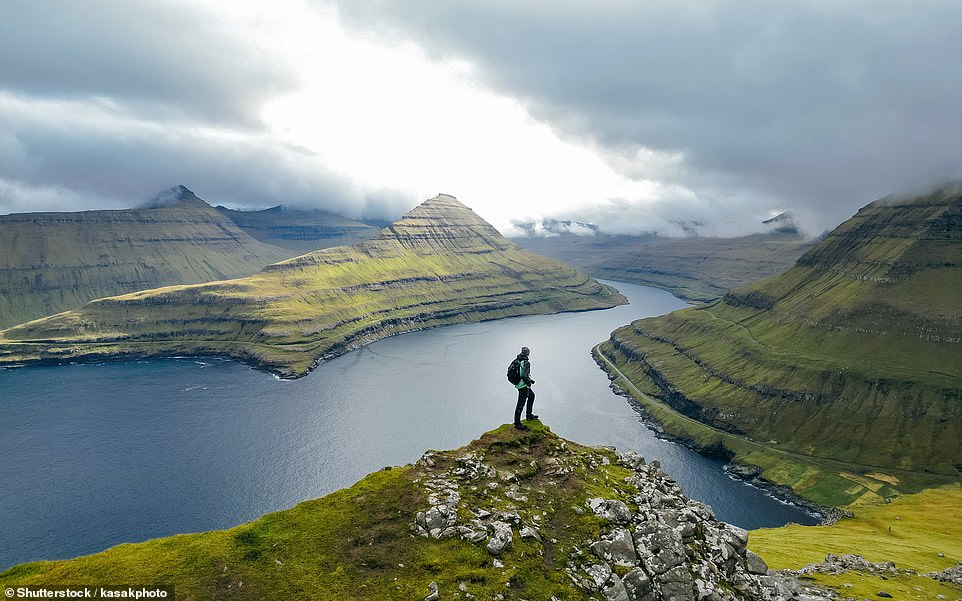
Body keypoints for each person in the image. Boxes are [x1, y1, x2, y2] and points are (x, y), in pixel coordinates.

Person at [512, 346, 538, 430]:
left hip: (519, 383)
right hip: (523, 386)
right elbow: (523, 375)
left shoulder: (517, 360)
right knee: (520, 404)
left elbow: (521, 373)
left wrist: (530, 380)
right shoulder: (526, 362)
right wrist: (529, 384)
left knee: (532, 396)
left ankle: (529, 415)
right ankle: (517, 423)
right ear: (528, 353)